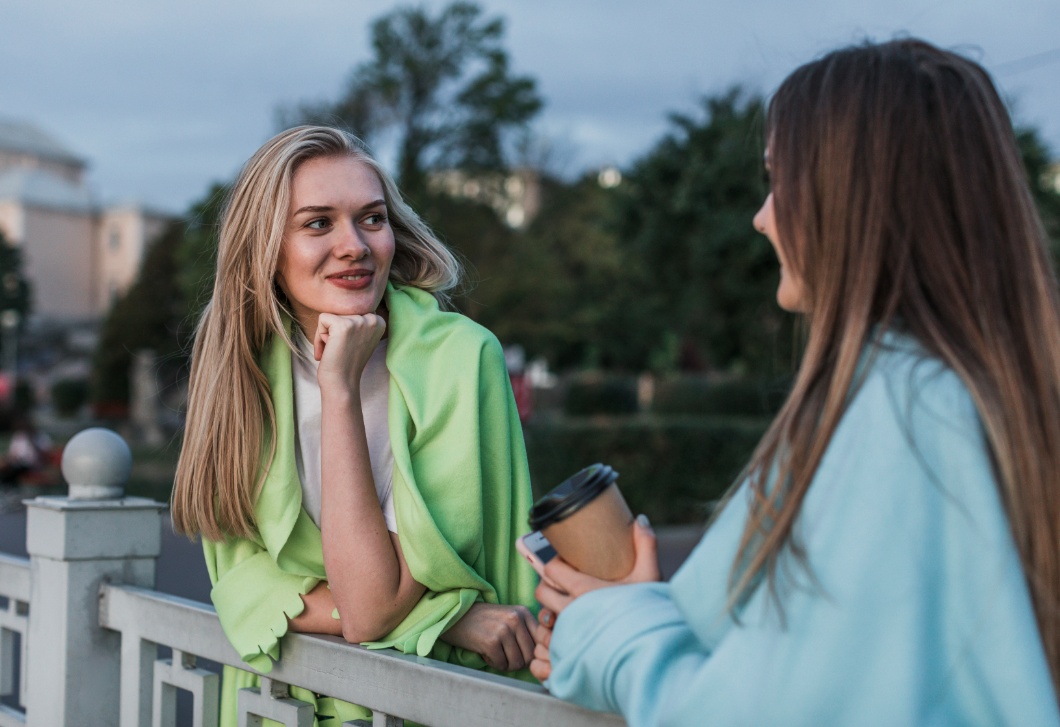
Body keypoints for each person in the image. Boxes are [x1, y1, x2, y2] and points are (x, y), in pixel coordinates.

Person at [530, 39, 1060, 725]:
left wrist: (610, 635)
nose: (761, 216)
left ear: (850, 198)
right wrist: (635, 610)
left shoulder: (903, 417)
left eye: (780, 179)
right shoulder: (988, 397)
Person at [171, 126, 539, 725]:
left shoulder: (459, 360)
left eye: (371, 219)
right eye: (318, 223)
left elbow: (369, 610)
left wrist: (338, 389)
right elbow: (239, 583)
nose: (355, 246)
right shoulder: (239, 371)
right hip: (275, 703)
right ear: (265, 247)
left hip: (420, 703)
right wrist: (443, 616)